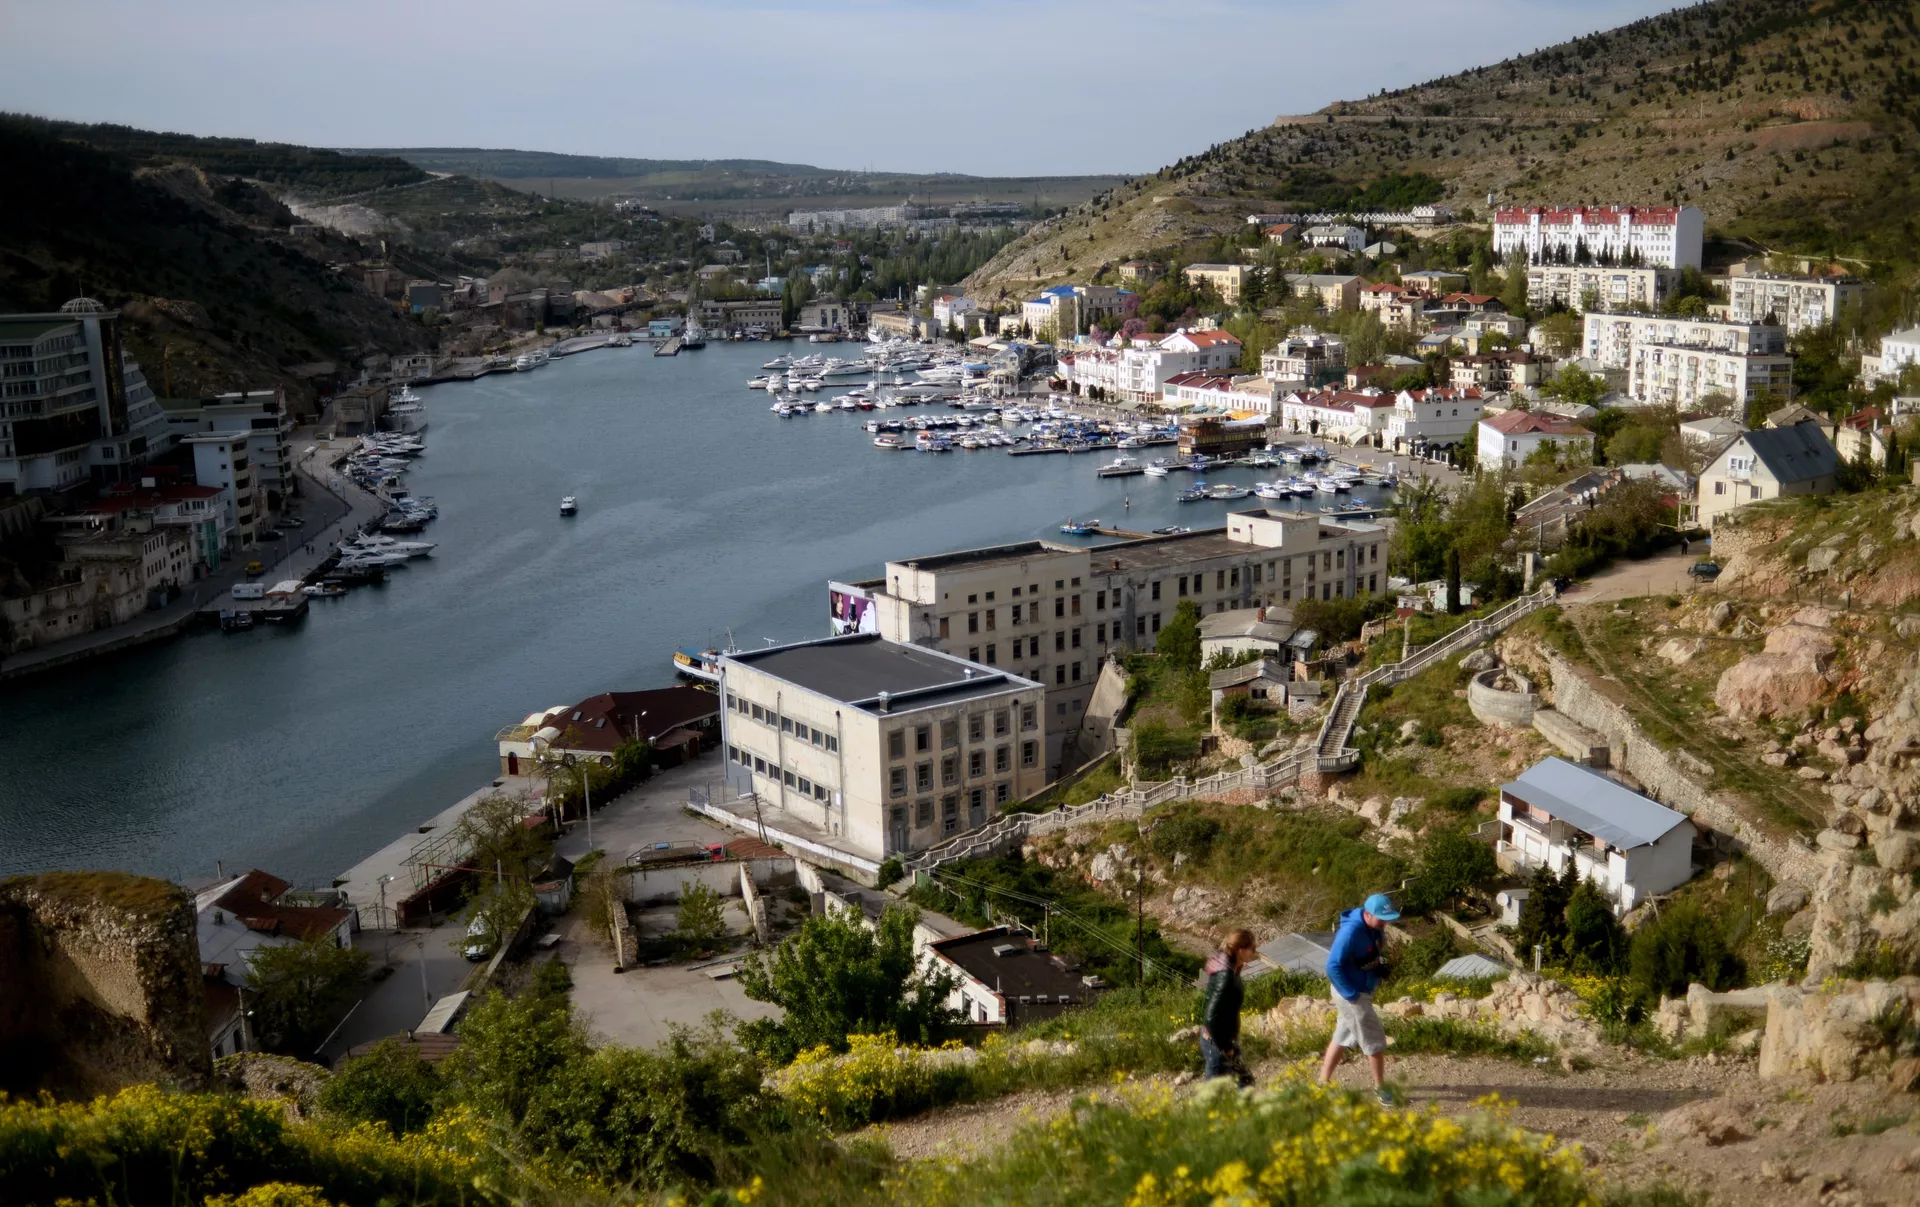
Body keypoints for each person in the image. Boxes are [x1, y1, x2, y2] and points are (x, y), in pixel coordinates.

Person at [1320, 892, 1398, 1106]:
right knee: (1374, 1040)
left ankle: (1323, 1082)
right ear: (1368, 914)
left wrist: (1377, 967)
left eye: (1387, 919)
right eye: (1382, 919)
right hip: (1352, 993)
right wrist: (1352, 995)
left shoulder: (1374, 928)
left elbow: (1368, 953)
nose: (1385, 923)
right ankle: (1380, 1088)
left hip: (1360, 988)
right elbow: (1332, 966)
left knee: (1342, 1034)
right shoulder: (1350, 932)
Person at [1199, 928, 1257, 1085]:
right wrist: (1226, 1048)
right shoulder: (1225, 976)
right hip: (1217, 1044)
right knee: (1216, 1092)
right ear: (1241, 950)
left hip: (1226, 1039)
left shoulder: (1230, 965)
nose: (1254, 952)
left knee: (1246, 1081)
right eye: (1252, 948)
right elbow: (1210, 1018)